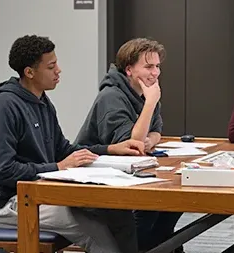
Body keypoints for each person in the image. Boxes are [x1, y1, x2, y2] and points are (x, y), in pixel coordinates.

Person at [0, 35, 145, 253]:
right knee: (96, 232)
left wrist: (110, 150)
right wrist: (57, 167)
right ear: (29, 72)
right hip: (7, 204)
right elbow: (2, 170)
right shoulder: (4, 106)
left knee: (119, 216)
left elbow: (63, 150)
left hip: (39, 193)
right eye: (51, 66)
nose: (59, 70)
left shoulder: (42, 101)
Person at [75, 38, 183, 252]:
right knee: (153, 208)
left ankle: (157, 246)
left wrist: (150, 139)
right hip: (95, 177)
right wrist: (151, 103)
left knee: (171, 206)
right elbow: (132, 148)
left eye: (158, 67)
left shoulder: (145, 92)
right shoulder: (111, 96)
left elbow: (156, 131)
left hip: (126, 173)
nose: (155, 73)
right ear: (129, 70)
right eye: (148, 66)